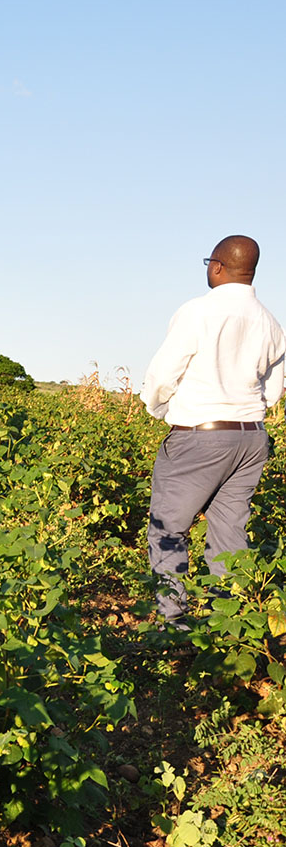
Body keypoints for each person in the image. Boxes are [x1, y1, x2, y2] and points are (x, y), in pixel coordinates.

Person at [140, 235, 285, 629]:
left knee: (169, 528)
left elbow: (163, 373)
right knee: (229, 531)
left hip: (200, 434)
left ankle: (174, 623)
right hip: (251, 437)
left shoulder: (197, 312)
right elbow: (272, 389)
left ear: (217, 266)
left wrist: (162, 410)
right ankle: (228, 622)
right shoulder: (269, 321)